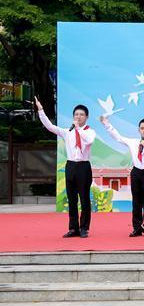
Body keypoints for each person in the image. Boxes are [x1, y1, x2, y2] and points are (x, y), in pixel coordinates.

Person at [35, 96, 96, 238]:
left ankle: (84, 228)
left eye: (81, 115)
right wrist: (41, 110)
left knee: (84, 199)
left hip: (83, 166)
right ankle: (73, 228)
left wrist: (78, 128)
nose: (78, 117)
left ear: (86, 117)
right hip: (71, 166)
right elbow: (50, 127)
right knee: (72, 199)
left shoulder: (89, 131)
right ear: (73, 116)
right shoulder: (67, 132)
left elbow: (88, 141)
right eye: (76, 114)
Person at [100, 115, 144, 236]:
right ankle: (137, 228)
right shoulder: (133, 142)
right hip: (136, 172)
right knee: (136, 201)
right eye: (142, 128)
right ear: (138, 129)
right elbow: (118, 138)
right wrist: (107, 124)